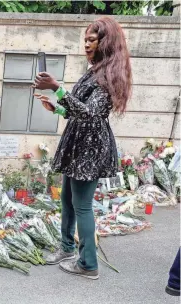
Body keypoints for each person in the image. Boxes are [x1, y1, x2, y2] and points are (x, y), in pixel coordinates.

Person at [32, 17, 132, 280]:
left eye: (91, 40)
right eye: (85, 40)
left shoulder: (109, 75)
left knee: (83, 205)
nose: (86, 44)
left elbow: (90, 114)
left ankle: (88, 263)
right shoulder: (95, 70)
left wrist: (56, 87)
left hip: (90, 148)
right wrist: (58, 107)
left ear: (105, 42)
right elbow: (78, 110)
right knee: (67, 199)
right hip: (79, 144)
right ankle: (66, 247)